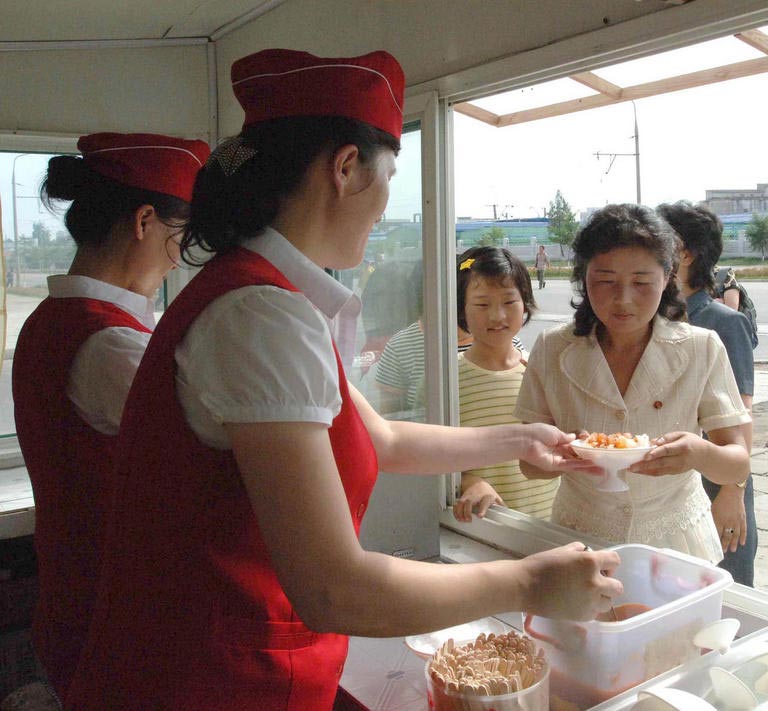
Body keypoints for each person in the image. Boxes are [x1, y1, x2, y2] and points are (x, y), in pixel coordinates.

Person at [65, 49, 621, 711]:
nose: (385, 204)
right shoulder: (261, 316)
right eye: (389, 177)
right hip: (212, 682)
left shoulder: (259, 294)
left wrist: (520, 438)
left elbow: (377, 437)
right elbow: (332, 587)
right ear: (347, 167)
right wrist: (530, 582)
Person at [11, 133, 209, 699]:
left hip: (76, 602)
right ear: (145, 220)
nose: (179, 259)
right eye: (181, 238)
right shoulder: (110, 346)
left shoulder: (51, 319)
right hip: (122, 623)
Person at [515, 203, 751, 563]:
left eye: (641, 282)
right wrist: (559, 458)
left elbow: (736, 462)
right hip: (579, 533)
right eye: (605, 280)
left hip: (676, 539)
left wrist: (699, 454)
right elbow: (528, 465)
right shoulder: (553, 347)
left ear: (668, 275)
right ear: (583, 276)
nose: (623, 299)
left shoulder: (701, 347)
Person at [658, 200, 757, 585]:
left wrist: (732, 491)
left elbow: (741, 417)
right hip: (676, 492)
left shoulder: (723, 323)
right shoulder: (658, 319)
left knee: (725, 598)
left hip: (720, 486)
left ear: (685, 253)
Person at [453, 246, 558, 522]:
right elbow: (426, 455)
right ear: (461, 310)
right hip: (482, 529)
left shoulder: (541, 371)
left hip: (550, 525)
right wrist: (468, 481)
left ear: (525, 303)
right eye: (482, 304)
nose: (497, 316)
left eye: (509, 302)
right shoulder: (448, 380)